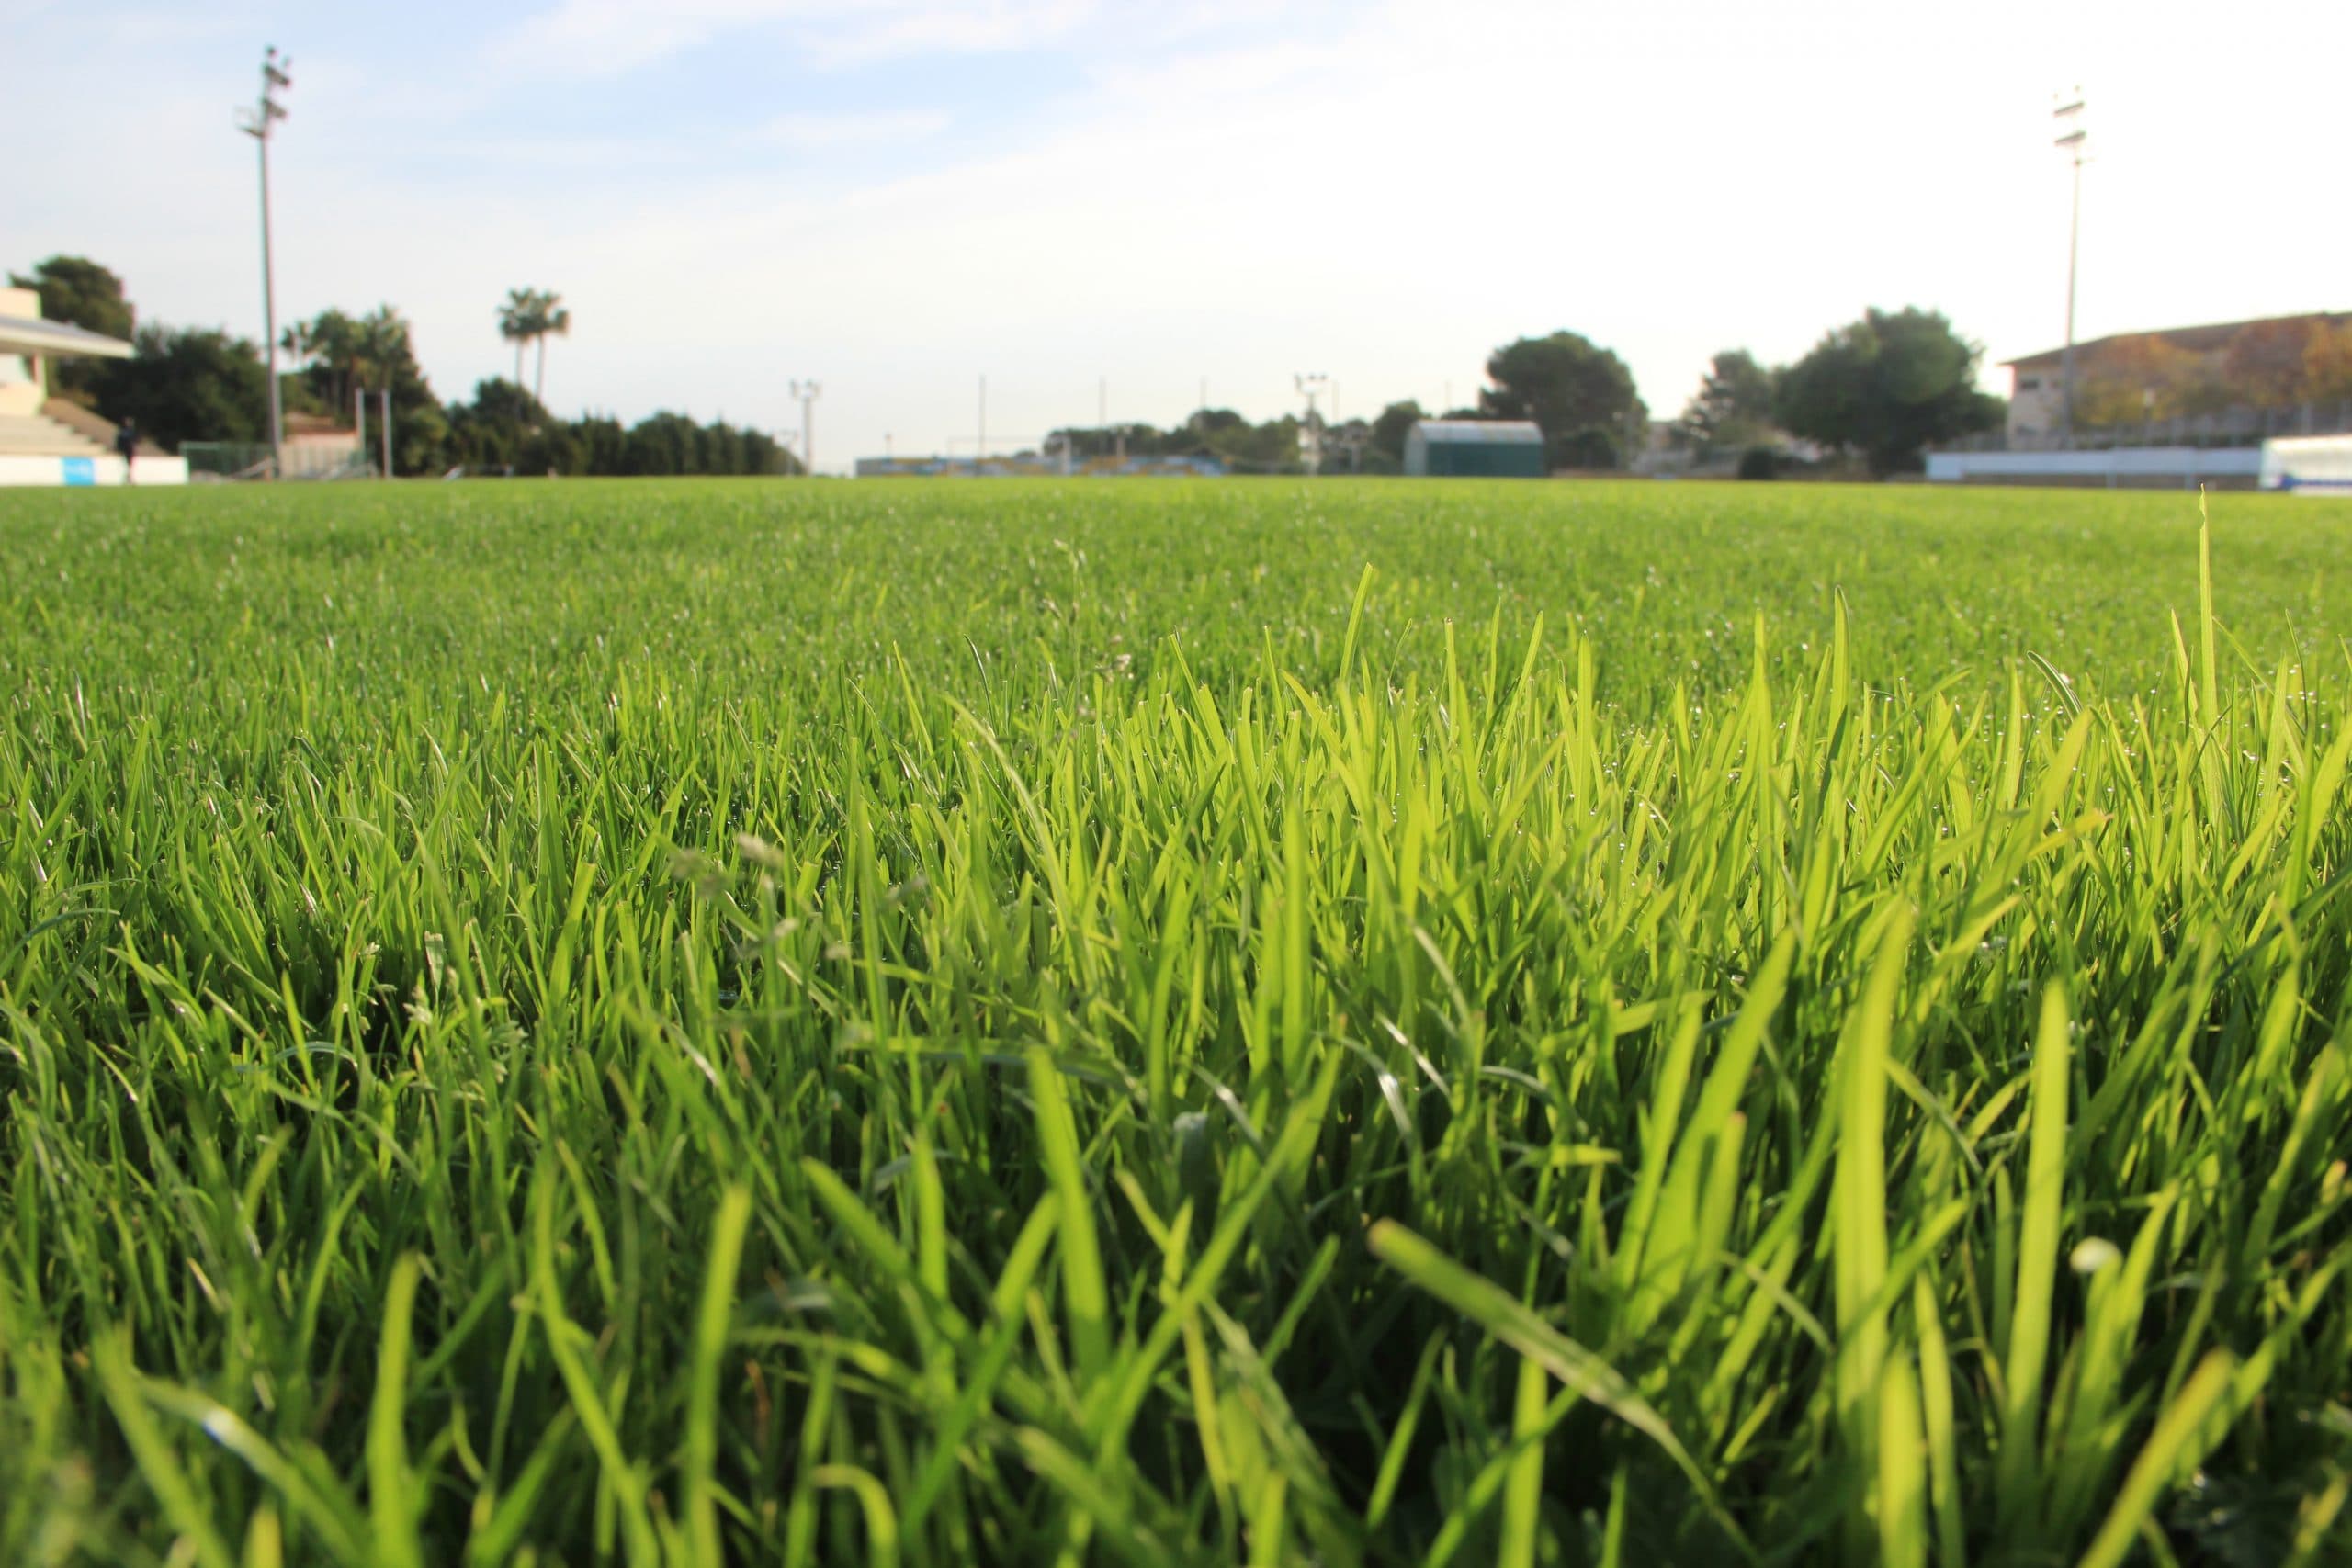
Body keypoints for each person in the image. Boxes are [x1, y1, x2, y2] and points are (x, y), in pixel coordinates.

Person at [114, 418, 139, 483]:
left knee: (129, 465)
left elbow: (136, 440)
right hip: (125, 450)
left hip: (130, 450)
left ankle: (128, 477)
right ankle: (128, 478)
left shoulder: (131, 431)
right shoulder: (123, 431)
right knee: (127, 464)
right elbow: (119, 441)